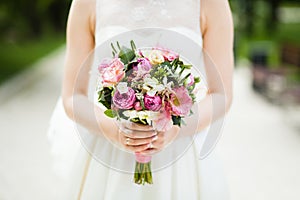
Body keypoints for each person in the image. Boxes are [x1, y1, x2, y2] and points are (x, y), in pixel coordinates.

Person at [48, 0, 234, 199]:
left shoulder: (210, 3)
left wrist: (176, 128)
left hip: (182, 156)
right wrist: (116, 131)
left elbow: (221, 95)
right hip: (109, 155)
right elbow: (72, 97)